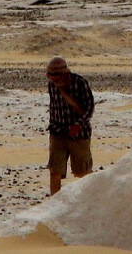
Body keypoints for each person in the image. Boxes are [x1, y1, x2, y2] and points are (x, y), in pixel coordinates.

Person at [44, 56, 95, 195]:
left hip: (79, 135)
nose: (53, 78)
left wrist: (78, 125)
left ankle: (90, 198)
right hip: (58, 134)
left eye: (56, 75)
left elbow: (89, 108)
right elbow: (53, 106)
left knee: (82, 172)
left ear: (65, 72)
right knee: (55, 172)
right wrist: (53, 125)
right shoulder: (51, 85)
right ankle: (54, 205)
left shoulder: (80, 83)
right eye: (50, 75)